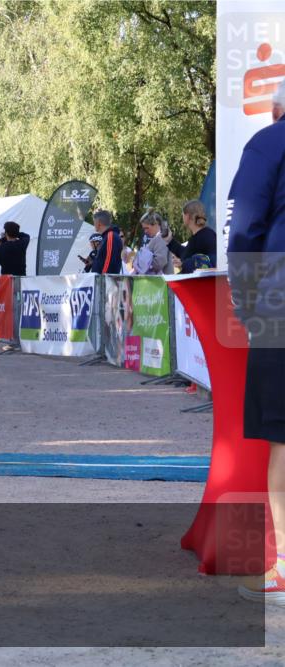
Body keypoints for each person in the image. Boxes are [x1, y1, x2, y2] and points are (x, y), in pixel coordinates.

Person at [228, 83, 285, 605]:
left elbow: (245, 229)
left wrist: (244, 303)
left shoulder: (268, 143)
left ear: (276, 108)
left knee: (283, 434)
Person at [164, 200, 217, 274]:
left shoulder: (203, 237)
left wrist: (184, 263)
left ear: (187, 216)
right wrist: (170, 241)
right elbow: (186, 253)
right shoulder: (204, 235)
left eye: (182, 214)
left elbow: (213, 261)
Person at [132, 210, 173, 275]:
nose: (145, 231)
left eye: (147, 228)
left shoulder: (161, 238)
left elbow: (160, 262)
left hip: (160, 282)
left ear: (156, 224)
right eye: (144, 229)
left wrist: (140, 262)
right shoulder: (158, 238)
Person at [89, 210, 124, 274]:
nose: (93, 224)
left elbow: (108, 261)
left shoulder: (110, 236)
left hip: (104, 281)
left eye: (94, 222)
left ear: (99, 223)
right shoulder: (107, 236)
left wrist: (102, 280)